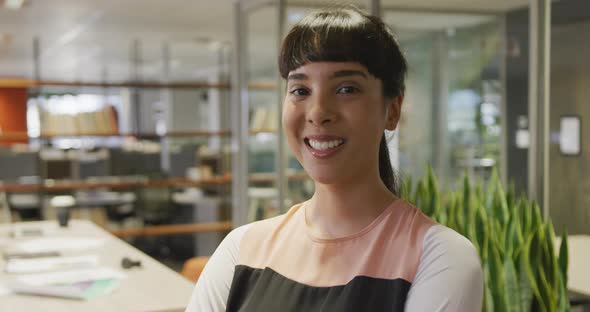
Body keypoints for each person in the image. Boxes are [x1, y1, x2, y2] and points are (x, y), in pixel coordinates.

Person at [187, 6, 483, 312]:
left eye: (346, 88)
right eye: (300, 90)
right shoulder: (242, 250)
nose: (318, 112)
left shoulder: (438, 257)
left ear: (393, 109)